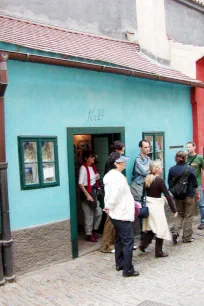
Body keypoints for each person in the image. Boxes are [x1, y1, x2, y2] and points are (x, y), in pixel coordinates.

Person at [103, 152, 139, 277]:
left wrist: (109, 207)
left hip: (116, 213)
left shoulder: (111, 176)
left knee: (119, 239)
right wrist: (109, 206)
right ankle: (128, 269)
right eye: (122, 162)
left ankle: (120, 263)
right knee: (128, 241)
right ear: (115, 163)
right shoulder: (117, 178)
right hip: (121, 213)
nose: (125, 163)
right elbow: (115, 195)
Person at [139, 160, 177, 257]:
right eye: (160, 167)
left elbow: (143, 193)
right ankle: (158, 251)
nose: (162, 168)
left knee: (152, 228)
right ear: (157, 169)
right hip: (156, 207)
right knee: (160, 228)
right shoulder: (159, 180)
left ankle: (143, 245)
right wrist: (174, 210)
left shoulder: (147, 178)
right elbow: (167, 195)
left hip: (149, 205)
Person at [168, 151, 200, 244]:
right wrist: (197, 194)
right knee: (188, 216)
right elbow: (195, 184)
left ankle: (175, 232)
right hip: (189, 195)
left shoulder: (172, 169)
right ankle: (187, 237)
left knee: (180, 214)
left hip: (178, 196)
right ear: (185, 158)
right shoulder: (190, 169)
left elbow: (170, 183)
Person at [100, 140, 125, 253]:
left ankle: (113, 243)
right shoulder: (113, 160)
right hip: (111, 194)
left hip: (114, 194)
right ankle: (106, 245)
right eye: (122, 148)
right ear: (118, 149)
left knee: (114, 220)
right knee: (110, 221)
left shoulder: (114, 158)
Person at [78, 151, 102, 242]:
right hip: (86, 194)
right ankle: (89, 234)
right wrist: (87, 195)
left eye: (93, 157)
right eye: (91, 157)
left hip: (94, 192)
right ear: (86, 158)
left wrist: (97, 177)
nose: (93, 158)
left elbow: (93, 179)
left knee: (99, 212)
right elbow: (80, 183)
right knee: (89, 215)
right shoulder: (83, 168)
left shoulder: (93, 167)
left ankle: (94, 230)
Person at [186, 141, 204, 230]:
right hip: (187, 185)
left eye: (190, 147)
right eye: (187, 147)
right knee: (188, 203)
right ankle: (187, 222)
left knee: (201, 204)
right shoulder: (185, 157)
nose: (188, 149)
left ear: (194, 147)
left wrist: (201, 180)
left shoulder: (199, 158)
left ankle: (203, 221)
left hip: (197, 184)